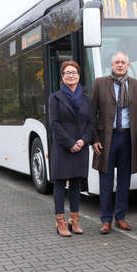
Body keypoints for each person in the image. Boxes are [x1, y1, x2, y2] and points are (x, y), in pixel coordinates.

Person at [92, 51, 137, 234]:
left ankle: (120, 217)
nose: (120, 65)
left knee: (124, 181)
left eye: (123, 62)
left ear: (128, 65)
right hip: (107, 139)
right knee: (105, 181)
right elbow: (92, 113)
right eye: (116, 62)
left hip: (128, 138)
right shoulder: (100, 83)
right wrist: (94, 140)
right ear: (111, 65)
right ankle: (105, 220)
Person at [48, 61, 94, 237]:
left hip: (80, 147)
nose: (71, 76)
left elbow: (91, 122)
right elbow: (54, 123)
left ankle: (74, 221)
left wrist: (83, 141)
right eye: (67, 73)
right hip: (62, 147)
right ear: (62, 76)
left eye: (74, 72)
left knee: (76, 184)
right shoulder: (55, 98)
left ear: (79, 75)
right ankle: (60, 223)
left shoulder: (86, 98)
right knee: (60, 184)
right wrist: (70, 143)